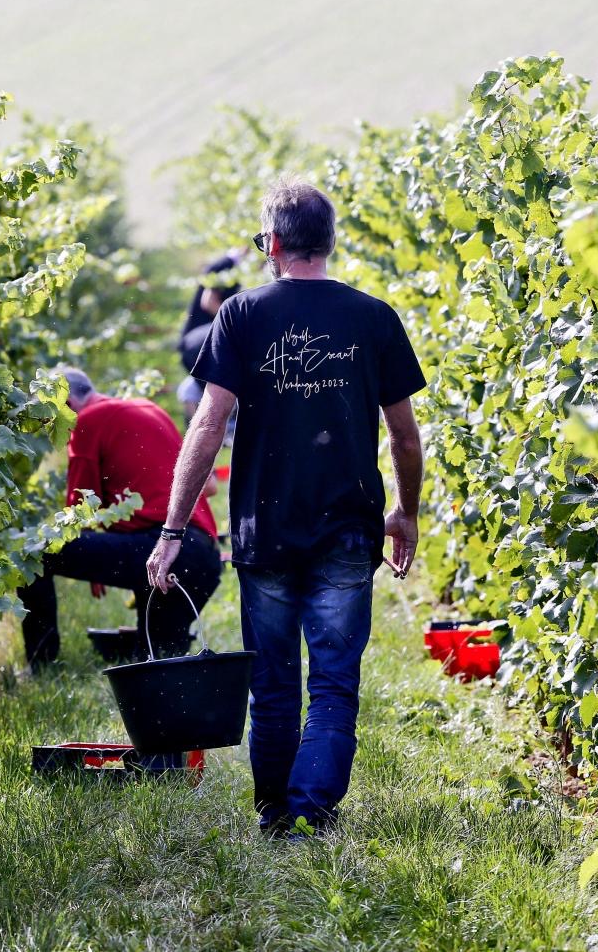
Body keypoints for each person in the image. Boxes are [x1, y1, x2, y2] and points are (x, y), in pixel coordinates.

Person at [146, 179, 426, 838]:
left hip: (263, 526)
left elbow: (208, 424)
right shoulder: (372, 317)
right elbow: (404, 435)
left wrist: (172, 527)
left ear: (271, 244)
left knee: (272, 684)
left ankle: (276, 810)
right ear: (329, 242)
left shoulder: (242, 315)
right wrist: (404, 513)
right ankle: (312, 809)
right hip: (348, 525)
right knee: (332, 681)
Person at [17, 368, 223, 668]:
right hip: (202, 557)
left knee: (34, 552)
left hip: (162, 548)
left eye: (51, 420)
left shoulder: (85, 421)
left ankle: (40, 663)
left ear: (67, 404)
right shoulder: (147, 408)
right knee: (158, 662)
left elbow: (74, 516)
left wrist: (90, 555)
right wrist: (99, 555)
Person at [176, 249, 244, 426]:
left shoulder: (235, 268)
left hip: (197, 344)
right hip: (199, 340)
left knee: (210, 393)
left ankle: (200, 428)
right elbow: (209, 302)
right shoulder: (225, 265)